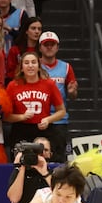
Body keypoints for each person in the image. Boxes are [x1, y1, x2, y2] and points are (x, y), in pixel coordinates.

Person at [5, 52, 66, 155]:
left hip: (43, 129)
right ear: (21, 67)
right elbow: (5, 116)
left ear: (39, 66)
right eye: (26, 63)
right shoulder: (13, 86)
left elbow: (61, 111)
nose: (30, 66)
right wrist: (21, 117)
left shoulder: (49, 84)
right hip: (20, 129)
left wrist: (48, 119)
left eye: (33, 62)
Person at [39, 31, 77, 163]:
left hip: (59, 121)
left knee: (59, 159)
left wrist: (72, 91)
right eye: (46, 44)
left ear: (57, 47)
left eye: (52, 44)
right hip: (39, 119)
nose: (49, 47)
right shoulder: (35, 66)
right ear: (40, 48)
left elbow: (73, 95)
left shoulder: (66, 67)